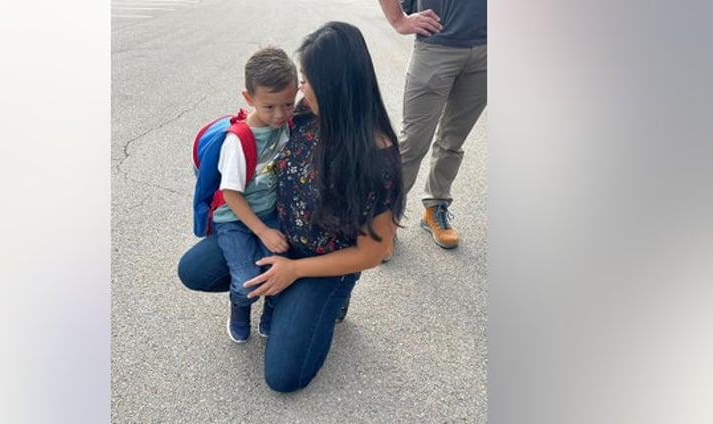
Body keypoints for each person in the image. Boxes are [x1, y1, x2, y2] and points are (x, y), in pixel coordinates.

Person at [177, 21, 404, 392]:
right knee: (194, 271)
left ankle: (333, 295)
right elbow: (258, 120)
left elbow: (375, 251)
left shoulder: (376, 158)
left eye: (307, 79)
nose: (300, 88)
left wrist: (295, 271)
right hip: (276, 234)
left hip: (321, 261)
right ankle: (288, 297)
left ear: (335, 86)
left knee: (283, 377)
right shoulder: (302, 115)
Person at [378, 0, 487, 249]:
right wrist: (399, 20)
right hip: (437, 46)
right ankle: (385, 217)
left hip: (487, 50)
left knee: (452, 141)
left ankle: (435, 206)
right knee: (413, 142)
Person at [211, 47, 297, 343]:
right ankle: (240, 307)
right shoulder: (239, 140)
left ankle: (271, 312)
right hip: (235, 217)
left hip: (268, 210)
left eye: (288, 104)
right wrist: (262, 231)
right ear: (248, 99)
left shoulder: (285, 125)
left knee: (277, 264)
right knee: (247, 280)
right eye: (269, 107)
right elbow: (231, 194)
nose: (279, 114)